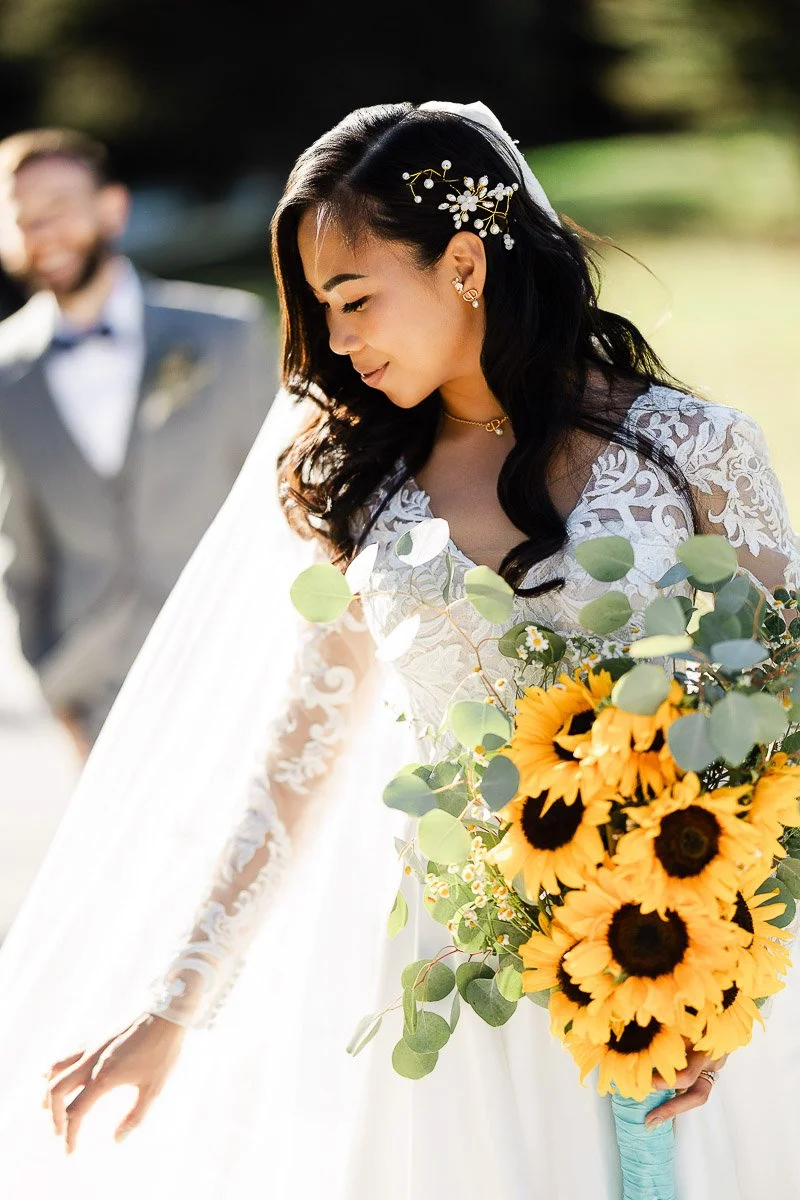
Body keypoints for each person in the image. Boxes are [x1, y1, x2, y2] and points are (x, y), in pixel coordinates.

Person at [0, 100, 797, 1199]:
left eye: (353, 298)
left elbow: (779, 719)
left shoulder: (701, 452)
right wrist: (170, 1009)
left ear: (463, 263)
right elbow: (292, 772)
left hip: (686, 970)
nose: (334, 343)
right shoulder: (362, 495)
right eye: (320, 310)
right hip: (453, 990)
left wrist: (735, 969)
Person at [0, 128, 277, 755]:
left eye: (59, 209)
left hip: (238, 663)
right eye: (22, 220)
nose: (43, 234)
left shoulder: (226, 334)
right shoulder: (3, 374)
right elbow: (24, 550)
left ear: (112, 208)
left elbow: (282, 501)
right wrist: (55, 688)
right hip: (100, 695)